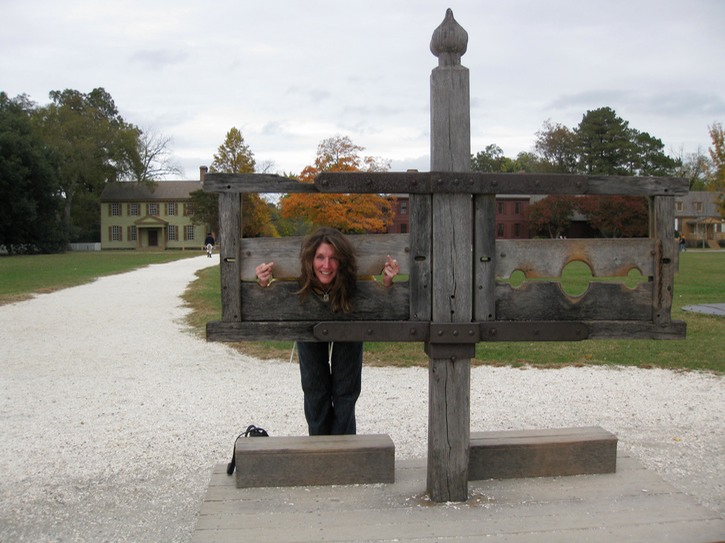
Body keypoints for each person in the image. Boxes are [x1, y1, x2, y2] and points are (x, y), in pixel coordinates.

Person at [255, 227, 399, 435]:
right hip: (307, 324)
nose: (326, 265)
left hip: (348, 323)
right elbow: (273, 295)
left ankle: (344, 447)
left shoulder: (360, 279)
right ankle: (319, 446)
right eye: (320, 257)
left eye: (333, 258)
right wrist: (263, 282)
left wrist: (387, 283)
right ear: (309, 259)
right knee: (315, 390)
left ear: (342, 261)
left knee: (346, 391)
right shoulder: (292, 279)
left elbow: (376, 298)